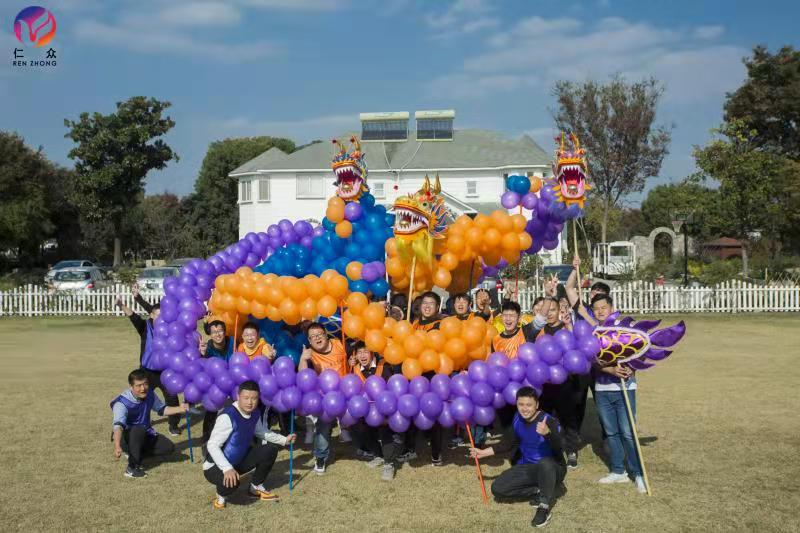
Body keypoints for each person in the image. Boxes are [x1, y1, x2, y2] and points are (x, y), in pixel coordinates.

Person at [470, 386, 566, 528]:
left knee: (545, 463)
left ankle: (543, 507)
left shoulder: (548, 421)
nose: (524, 409)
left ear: (537, 405)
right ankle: (538, 489)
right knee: (498, 488)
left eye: (529, 405)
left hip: (553, 469)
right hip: (528, 468)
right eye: (521, 404)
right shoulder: (517, 418)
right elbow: (508, 443)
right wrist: (482, 452)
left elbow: (559, 448)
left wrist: (548, 434)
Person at [582, 294, 646, 494]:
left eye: (604, 307)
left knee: (628, 432)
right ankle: (619, 471)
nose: (600, 311)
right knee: (611, 433)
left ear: (611, 307)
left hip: (625, 388)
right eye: (596, 308)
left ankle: (638, 473)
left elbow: (639, 353)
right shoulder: (594, 332)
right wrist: (610, 370)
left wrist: (631, 369)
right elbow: (592, 360)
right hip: (602, 389)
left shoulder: (624, 329)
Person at [204, 380, 292, 509]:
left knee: (270, 449)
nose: (250, 402)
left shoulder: (255, 413)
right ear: (238, 397)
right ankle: (220, 495)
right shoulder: (227, 416)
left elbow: (261, 432)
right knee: (233, 484)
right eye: (246, 398)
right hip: (215, 466)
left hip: (238, 461)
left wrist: (284, 440)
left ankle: (255, 487)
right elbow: (212, 445)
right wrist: (227, 468)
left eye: (254, 398)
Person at [115, 285, 181, 436]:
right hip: (146, 371)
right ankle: (139, 422)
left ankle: (174, 425)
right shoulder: (145, 327)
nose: (160, 319)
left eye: (162, 316)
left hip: (165, 371)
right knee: (141, 398)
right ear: (151, 315)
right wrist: (121, 304)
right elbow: (133, 316)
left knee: (172, 398)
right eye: (157, 315)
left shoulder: (171, 329)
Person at [110, 368, 189, 478]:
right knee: (138, 428)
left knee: (168, 447)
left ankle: (136, 454)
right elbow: (118, 426)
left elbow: (161, 409)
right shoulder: (122, 403)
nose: (143, 389)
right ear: (131, 386)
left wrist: (180, 409)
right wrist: (117, 445)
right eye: (138, 386)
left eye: (145, 384)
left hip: (145, 432)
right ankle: (131, 468)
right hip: (127, 436)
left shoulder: (150, 394)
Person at [299, 322, 349, 474]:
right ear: (309, 340)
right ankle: (320, 457)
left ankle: (364, 447)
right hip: (325, 397)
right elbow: (303, 375)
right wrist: (302, 359)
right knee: (323, 426)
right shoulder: (309, 354)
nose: (317, 338)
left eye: (319, 334)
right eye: (313, 337)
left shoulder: (339, 343)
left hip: (346, 392)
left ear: (326, 334)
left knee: (357, 421)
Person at [347, 341, 400, 481]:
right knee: (361, 430)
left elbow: (392, 389)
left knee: (385, 432)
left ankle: (389, 463)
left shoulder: (384, 366)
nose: (362, 355)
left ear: (372, 353)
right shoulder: (355, 369)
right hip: (365, 409)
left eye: (365, 351)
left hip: (383, 408)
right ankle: (379, 455)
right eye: (359, 352)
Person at [199, 317, 235, 443]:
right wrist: (202, 354)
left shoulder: (232, 341)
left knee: (237, 409)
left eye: (220, 331)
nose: (217, 334)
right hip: (216, 383)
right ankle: (206, 438)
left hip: (233, 381)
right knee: (211, 409)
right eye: (214, 332)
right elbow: (203, 367)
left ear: (224, 332)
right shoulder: (208, 347)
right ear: (210, 334)